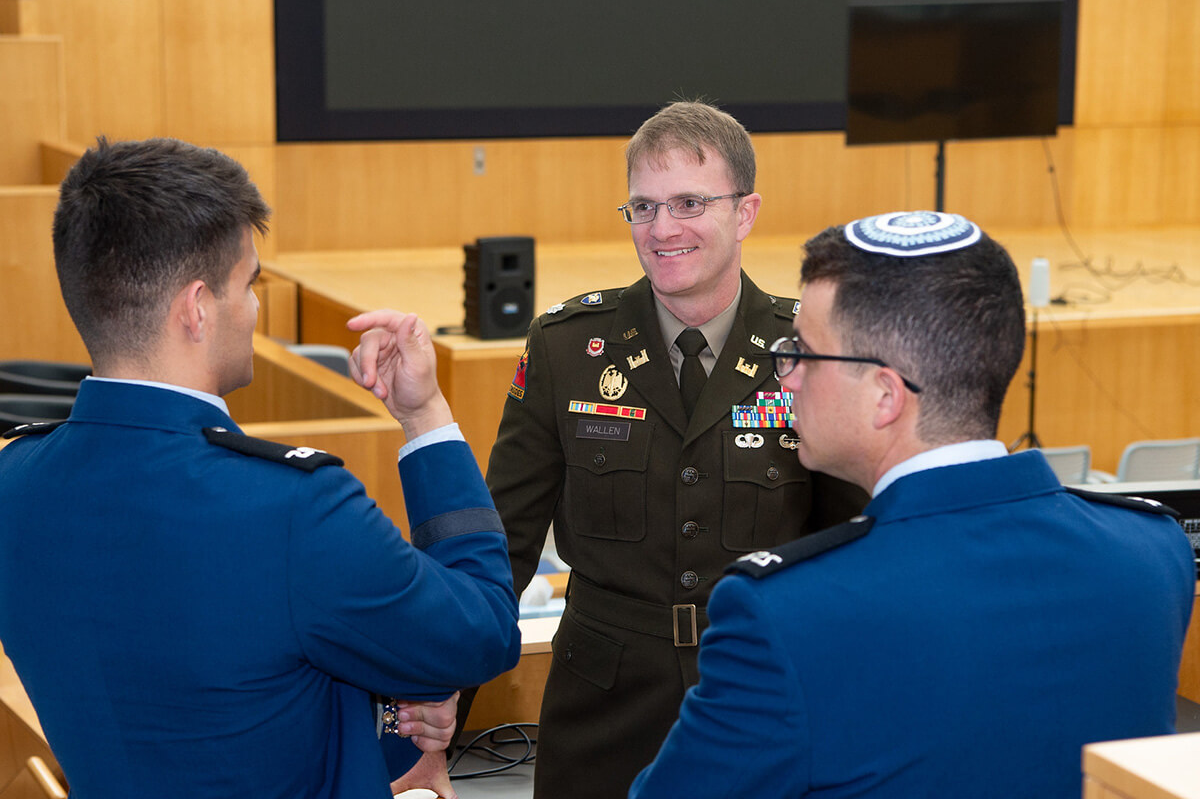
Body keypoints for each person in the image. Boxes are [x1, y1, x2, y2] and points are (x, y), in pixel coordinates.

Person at [0, 137, 521, 799]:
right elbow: (481, 633)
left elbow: (216, 674)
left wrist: (390, 700)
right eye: (249, 283)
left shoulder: (15, 484)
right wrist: (425, 418)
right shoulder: (292, 509)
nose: (253, 308)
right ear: (196, 308)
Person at [629, 211, 1197, 798]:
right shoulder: (1152, 553)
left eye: (803, 352)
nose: (784, 378)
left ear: (884, 396)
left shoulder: (784, 615)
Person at [471, 101, 866, 797]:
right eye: (642, 207)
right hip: (601, 709)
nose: (661, 229)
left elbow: (853, 546)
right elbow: (502, 545)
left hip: (763, 693)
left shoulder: (806, 349)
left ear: (745, 213)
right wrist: (444, 703)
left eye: (688, 202)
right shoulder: (567, 348)